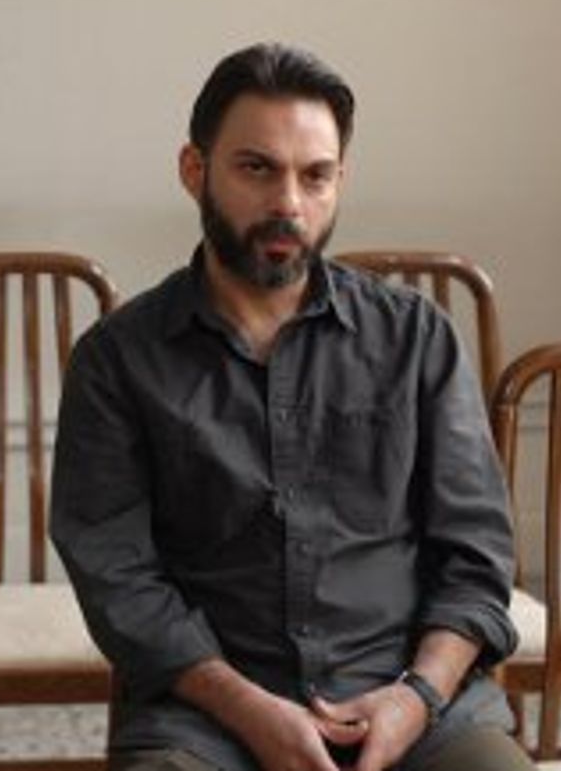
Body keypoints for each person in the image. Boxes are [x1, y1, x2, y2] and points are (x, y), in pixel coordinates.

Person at [49, 43, 533, 771]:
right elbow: (118, 579)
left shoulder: (415, 338)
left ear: (341, 180)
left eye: (316, 175)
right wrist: (250, 710)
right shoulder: (117, 360)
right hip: (207, 720)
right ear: (194, 170)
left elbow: (477, 553)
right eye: (257, 168)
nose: (288, 203)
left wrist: (415, 697)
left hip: (419, 709)